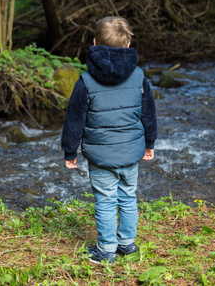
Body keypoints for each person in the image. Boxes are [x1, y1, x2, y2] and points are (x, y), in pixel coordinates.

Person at [61, 16, 157, 264]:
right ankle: (127, 244)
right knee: (127, 197)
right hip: (131, 153)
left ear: (94, 43)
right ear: (127, 46)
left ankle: (106, 250)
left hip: (101, 157)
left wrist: (70, 152)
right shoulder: (139, 77)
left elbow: (74, 120)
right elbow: (149, 113)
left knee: (105, 201)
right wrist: (150, 144)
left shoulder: (85, 81)